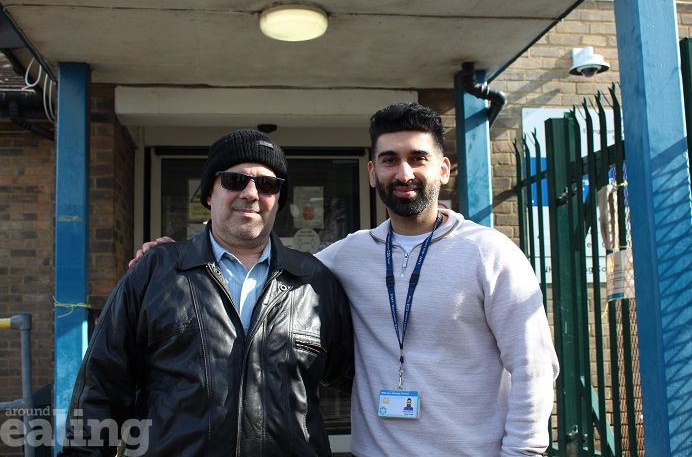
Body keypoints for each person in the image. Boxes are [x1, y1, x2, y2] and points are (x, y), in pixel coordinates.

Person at [133, 103, 560, 456]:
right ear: (372, 172)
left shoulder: (490, 253)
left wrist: (522, 452)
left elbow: (534, 367)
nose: (404, 173)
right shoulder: (347, 255)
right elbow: (270, 266)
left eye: (418, 158)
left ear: (444, 169)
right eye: (390, 160)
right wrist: (176, 256)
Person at [60, 130, 353, 457]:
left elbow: (364, 377)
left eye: (267, 184)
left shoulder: (314, 282)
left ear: (279, 200)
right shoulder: (155, 273)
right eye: (235, 180)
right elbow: (100, 392)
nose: (252, 193)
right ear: (209, 194)